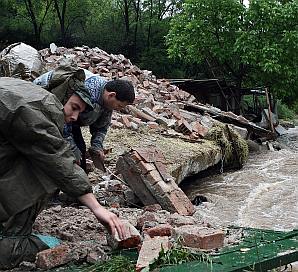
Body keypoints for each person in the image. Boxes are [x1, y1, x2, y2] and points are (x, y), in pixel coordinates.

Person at [0, 77, 127, 269]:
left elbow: (99, 128)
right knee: (46, 170)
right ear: (60, 98)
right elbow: (56, 159)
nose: (75, 117)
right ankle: (12, 240)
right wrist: (97, 208)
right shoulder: (32, 112)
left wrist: (95, 147)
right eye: (74, 107)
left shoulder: (30, 93)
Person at [34, 66, 135, 171]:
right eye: (119, 106)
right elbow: (62, 115)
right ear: (111, 95)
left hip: (70, 119)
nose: (118, 109)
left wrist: (97, 146)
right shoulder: (87, 91)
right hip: (46, 109)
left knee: (79, 151)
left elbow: (102, 126)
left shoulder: (107, 101)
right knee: (70, 152)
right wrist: (72, 148)